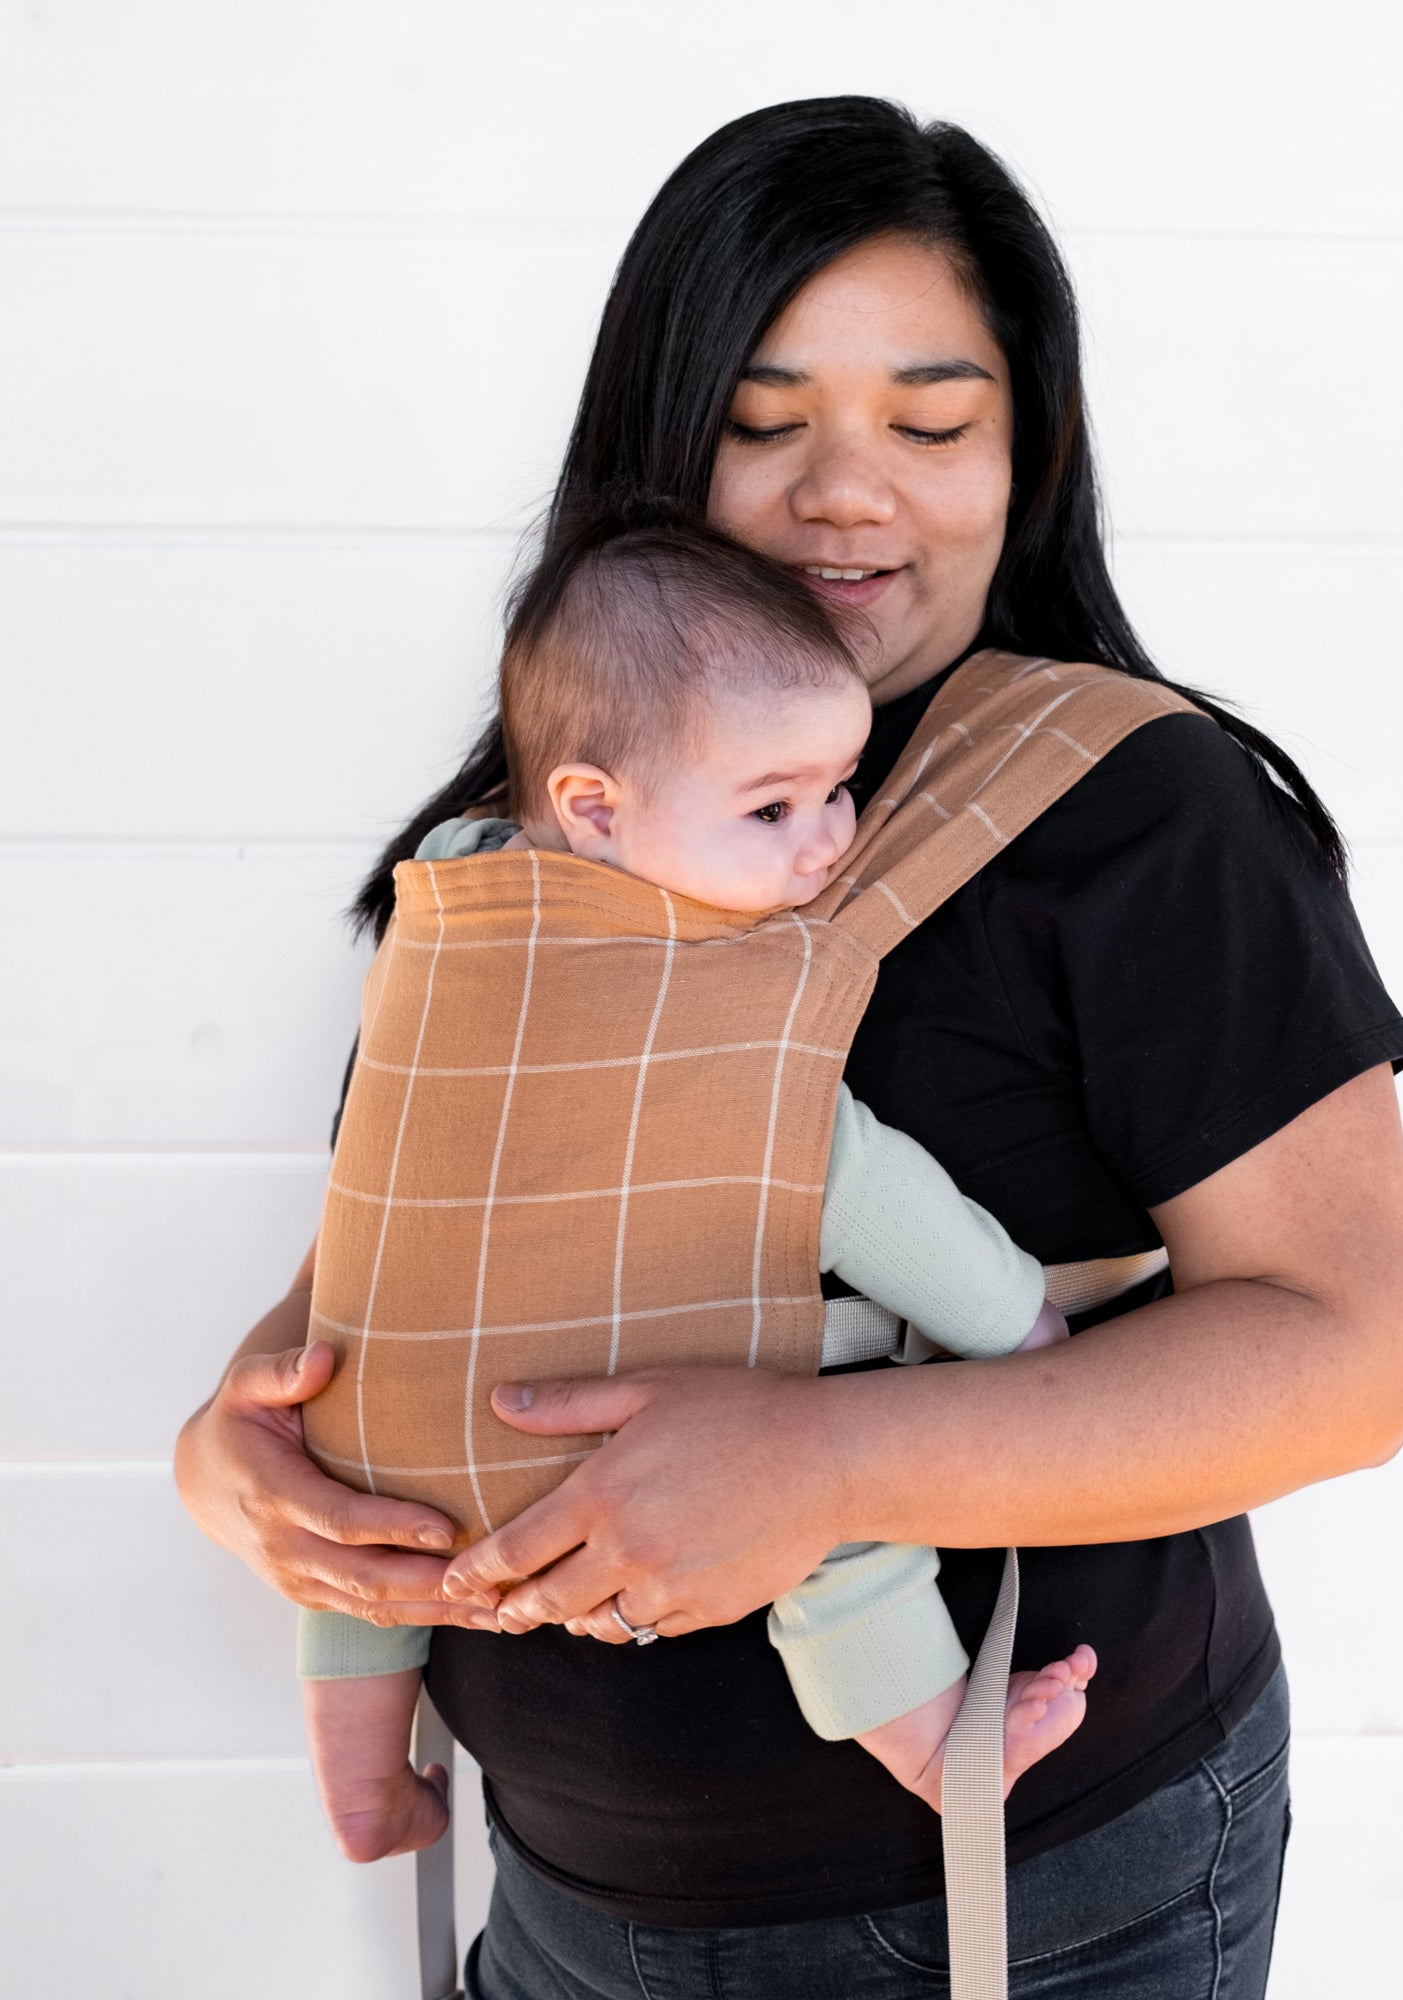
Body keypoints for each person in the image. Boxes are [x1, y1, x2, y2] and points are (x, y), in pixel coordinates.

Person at [176, 96, 1403, 1997]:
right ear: (659, 440)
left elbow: (1347, 1365)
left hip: (1028, 1901)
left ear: (1026, 452)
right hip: (564, 1902)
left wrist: (824, 1465)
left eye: (932, 424)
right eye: (767, 425)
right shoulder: (536, 847)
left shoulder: (1142, 817)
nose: (850, 494)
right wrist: (241, 1454)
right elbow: (408, 1242)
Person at [296, 511, 1095, 1865]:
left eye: (840, 788)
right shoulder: (716, 995)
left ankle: (363, 1782)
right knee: (827, 1502)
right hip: (623, 1471)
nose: (827, 841)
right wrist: (1018, 1321)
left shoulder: (449, 909)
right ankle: (931, 1741)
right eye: (772, 808)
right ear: (596, 809)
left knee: (358, 1518)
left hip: (386, 1449)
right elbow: (858, 1188)